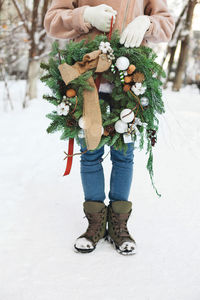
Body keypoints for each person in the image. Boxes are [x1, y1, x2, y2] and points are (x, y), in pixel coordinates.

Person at [44, 0, 175, 255]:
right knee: (90, 154)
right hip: (87, 79)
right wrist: (85, 15)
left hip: (129, 81)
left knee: (124, 156)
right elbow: (52, 20)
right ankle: (94, 224)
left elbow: (167, 24)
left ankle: (119, 225)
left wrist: (147, 23)